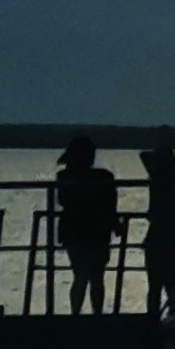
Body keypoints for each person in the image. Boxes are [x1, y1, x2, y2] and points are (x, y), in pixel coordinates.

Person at [54, 134, 121, 314]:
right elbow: (111, 203)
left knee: (81, 275)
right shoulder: (103, 177)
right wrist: (115, 224)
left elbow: (63, 200)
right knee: (95, 276)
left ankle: (76, 313)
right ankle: (95, 314)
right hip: (97, 230)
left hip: (76, 231)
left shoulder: (64, 176)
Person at [141, 142, 175, 318]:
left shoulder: (157, 177)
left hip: (158, 232)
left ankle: (152, 318)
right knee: (172, 281)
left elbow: (143, 155)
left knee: (154, 284)